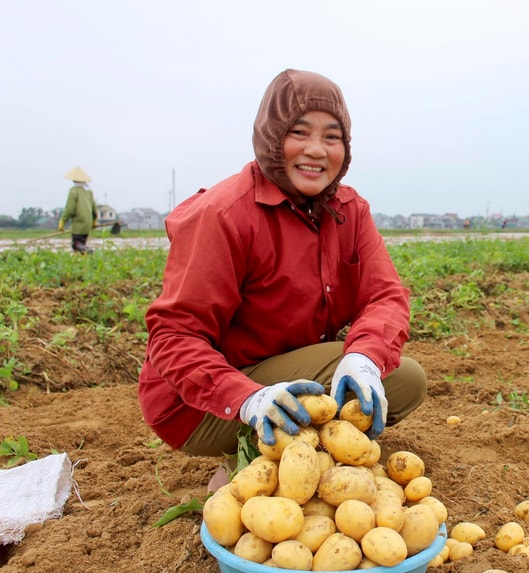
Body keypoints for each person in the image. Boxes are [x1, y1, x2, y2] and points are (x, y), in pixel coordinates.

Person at [137, 69, 427, 457]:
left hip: (282, 366)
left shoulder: (348, 209)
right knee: (387, 379)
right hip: (201, 402)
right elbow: (174, 337)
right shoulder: (224, 214)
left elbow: (385, 296)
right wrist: (247, 398)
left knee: (403, 380)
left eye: (332, 137)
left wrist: (364, 357)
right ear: (271, 137)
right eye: (299, 133)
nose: (316, 150)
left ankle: (304, 459)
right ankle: (251, 461)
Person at [59, 166, 98, 254]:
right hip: (88, 223)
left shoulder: (73, 191)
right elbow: (94, 209)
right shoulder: (89, 192)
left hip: (79, 223)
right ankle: (82, 257)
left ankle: (87, 250)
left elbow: (70, 209)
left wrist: (62, 221)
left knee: (76, 244)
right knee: (82, 242)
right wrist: (94, 221)